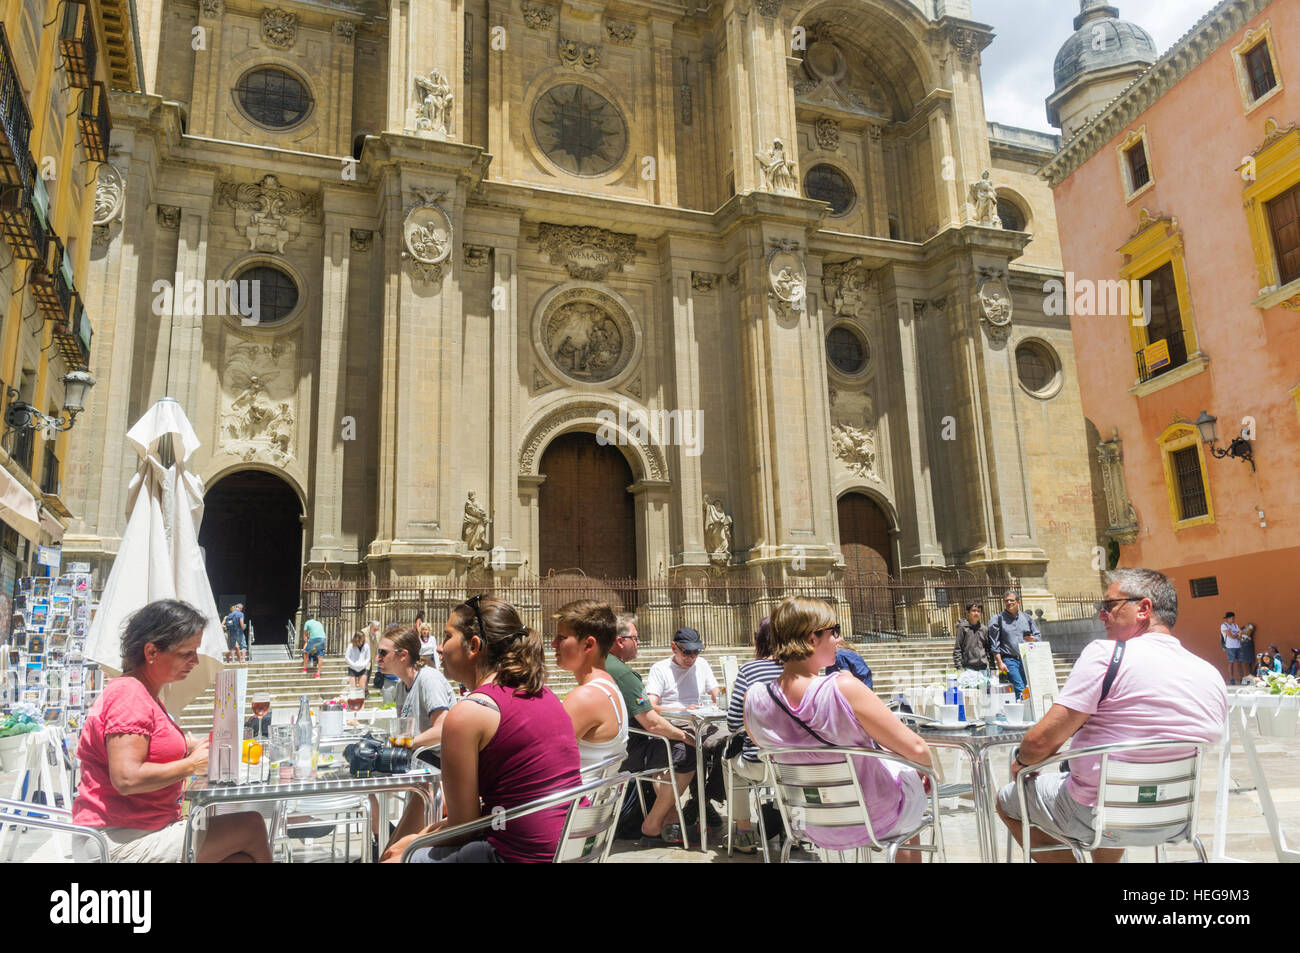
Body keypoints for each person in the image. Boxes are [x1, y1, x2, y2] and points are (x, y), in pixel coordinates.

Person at [996, 569, 1227, 863]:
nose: (1101, 616)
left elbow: (1040, 742)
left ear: (1143, 608)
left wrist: (1022, 762)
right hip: (1174, 817)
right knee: (1109, 791)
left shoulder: (1107, 656)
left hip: (1097, 814)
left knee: (1008, 801)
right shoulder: (1210, 674)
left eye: (1108, 606)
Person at [382, 596, 582, 863]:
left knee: (395, 857)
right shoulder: (545, 694)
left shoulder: (468, 713)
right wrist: (420, 835)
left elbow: (463, 826)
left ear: (474, 646)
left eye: (447, 637)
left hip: (517, 855)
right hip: (571, 846)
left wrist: (412, 841)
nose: (439, 648)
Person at [72, 600, 272, 862]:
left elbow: (146, 747)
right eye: (186, 653)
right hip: (117, 840)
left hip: (139, 830)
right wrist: (190, 765)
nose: (195, 661)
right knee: (251, 826)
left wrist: (186, 748)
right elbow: (127, 778)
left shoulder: (144, 694)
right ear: (151, 651)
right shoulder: (129, 695)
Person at [744, 596, 932, 861]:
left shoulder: (754, 698)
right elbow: (915, 748)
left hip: (808, 822)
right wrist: (928, 772)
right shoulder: (843, 688)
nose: (839, 640)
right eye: (834, 632)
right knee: (910, 786)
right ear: (812, 639)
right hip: (874, 817)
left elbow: (764, 744)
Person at [606, 613, 700, 845]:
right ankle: (654, 823)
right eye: (636, 639)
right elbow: (652, 721)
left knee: (671, 750)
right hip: (632, 746)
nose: (638, 643)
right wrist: (684, 736)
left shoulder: (605, 664)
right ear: (620, 641)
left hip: (620, 740)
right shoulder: (624, 673)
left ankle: (671, 818)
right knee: (687, 752)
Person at [645, 627, 728, 836]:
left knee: (727, 743)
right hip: (675, 722)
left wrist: (723, 700)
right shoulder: (660, 669)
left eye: (696, 652)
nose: (692, 657)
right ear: (674, 647)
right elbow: (652, 706)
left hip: (703, 720)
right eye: (687, 653)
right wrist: (681, 709)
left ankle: (705, 798)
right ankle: (698, 804)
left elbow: (716, 693)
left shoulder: (702, 664)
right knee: (690, 751)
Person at [379, 624, 457, 846]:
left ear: (403, 655)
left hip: (439, 777)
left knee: (397, 848)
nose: (378, 657)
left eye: (383, 652)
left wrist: (408, 742)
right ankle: (379, 841)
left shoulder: (428, 679)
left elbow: (443, 729)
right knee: (372, 794)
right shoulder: (401, 688)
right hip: (418, 770)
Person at [552, 600, 627, 781]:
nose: (554, 644)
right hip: (591, 801)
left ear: (588, 645)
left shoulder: (585, 698)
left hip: (571, 804)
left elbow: (545, 761)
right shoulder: (608, 686)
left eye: (561, 638)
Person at [725, 617, 781, 854]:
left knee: (728, 763)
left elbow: (733, 722)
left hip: (758, 763)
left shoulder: (750, 669)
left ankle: (744, 832)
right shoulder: (801, 668)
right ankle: (789, 826)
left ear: (759, 639)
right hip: (793, 766)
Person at [988, 591, 1039, 700]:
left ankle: (1020, 712)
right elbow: (994, 643)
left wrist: (1033, 639)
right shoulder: (998, 619)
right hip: (1009, 660)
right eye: (1006, 601)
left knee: (1025, 688)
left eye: (1012, 600)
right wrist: (1000, 662)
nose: (1009, 602)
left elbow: (1038, 636)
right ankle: (1026, 714)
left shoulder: (1027, 618)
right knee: (1020, 688)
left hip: (1026, 660)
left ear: (1018, 602)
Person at [953, 602, 990, 671]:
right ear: (967, 612)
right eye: (973, 611)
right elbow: (957, 649)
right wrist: (959, 667)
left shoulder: (984, 629)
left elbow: (988, 649)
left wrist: (992, 667)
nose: (976, 613)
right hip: (968, 667)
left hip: (983, 667)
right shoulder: (962, 628)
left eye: (978, 611)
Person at [1221, 612, 1245, 684]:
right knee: (1231, 662)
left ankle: (1242, 679)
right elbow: (1231, 636)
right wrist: (1237, 634)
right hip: (1230, 646)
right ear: (1227, 619)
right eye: (1232, 618)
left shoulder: (1235, 625)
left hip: (1238, 646)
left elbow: (1240, 636)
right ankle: (1232, 679)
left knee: (1239, 663)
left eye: (1234, 618)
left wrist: (1238, 635)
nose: (1233, 619)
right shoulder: (1224, 626)